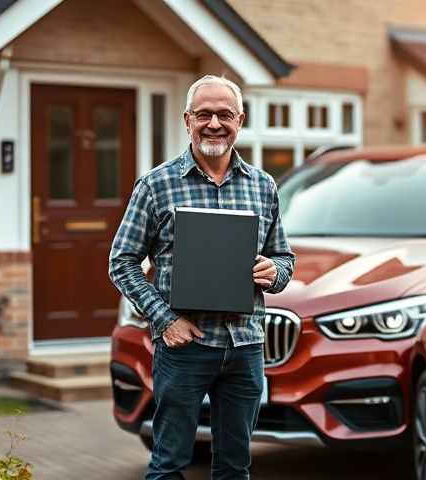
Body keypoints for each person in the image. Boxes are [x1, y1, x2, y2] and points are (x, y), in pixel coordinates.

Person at [108, 75, 295, 480]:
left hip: (246, 348)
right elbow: (121, 261)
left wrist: (274, 271)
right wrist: (165, 320)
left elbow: (284, 259)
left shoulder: (263, 187)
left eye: (224, 114)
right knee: (169, 464)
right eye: (204, 114)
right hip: (184, 348)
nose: (214, 123)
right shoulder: (156, 185)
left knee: (235, 466)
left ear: (240, 120)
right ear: (186, 120)